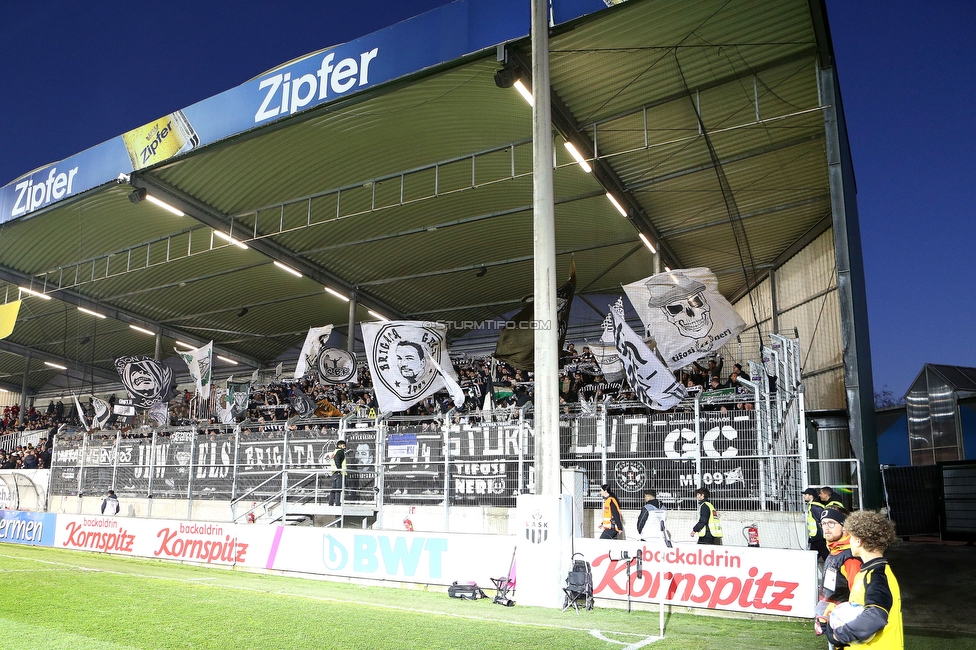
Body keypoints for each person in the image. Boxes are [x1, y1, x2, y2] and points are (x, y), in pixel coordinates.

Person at [821, 510, 902, 649]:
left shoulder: (877, 576)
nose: (849, 541)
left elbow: (875, 616)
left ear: (858, 541)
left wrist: (838, 636)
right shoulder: (869, 571)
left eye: (851, 537)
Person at [815, 507, 862, 649]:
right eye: (823, 523)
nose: (826, 528)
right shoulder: (834, 551)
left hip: (845, 625)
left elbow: (858, 597)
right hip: (832, 622)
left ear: (845, 526)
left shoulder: (850, 557)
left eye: (831, 523)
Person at [805, 487, 829, 560]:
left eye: (806, 494)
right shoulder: (812, 506)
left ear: (811, 496)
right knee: (812, 559)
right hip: (815, 538)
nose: (804, 496)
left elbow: (822, 520)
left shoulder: (815, 507)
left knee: (826, 557)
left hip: (819, 537)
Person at [328, 440, 347, 506]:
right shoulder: (340, 451)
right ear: (340, 445)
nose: (344, 447)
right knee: (338, 489)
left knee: (334, 488)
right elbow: (337, 459)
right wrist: (339, 470)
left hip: (334, 472)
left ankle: (331, 503)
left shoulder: (334, 452)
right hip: (339, 473)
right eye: (343, 446)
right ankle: (337, 503)